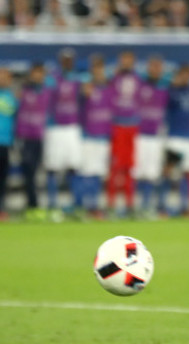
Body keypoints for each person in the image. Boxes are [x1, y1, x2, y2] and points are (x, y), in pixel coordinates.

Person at [44, 48, 83, 219]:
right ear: (60, 60)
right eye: (65, 59)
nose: (68, 62)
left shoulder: (78, 79)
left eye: (71, 59)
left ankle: (72, 205)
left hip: (72, 127)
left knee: (73, 167)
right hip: (55, 127)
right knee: (52, 167)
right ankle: (52, 204)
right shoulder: (52, 79)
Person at [134, 55, 169, 217]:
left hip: (157, 136)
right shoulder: (140, 85)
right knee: (139, 172)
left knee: (153, 173)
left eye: (158, 67)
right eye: (153, 66)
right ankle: (139, 206)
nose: (156, 70)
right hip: (140, 135)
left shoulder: (165, 87)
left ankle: (150, 206)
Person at [108, 51, 142, 216]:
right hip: (118, 125)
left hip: (132, 126)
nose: (127, 63)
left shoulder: (139, 79)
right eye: (124, 60)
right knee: (115, 167)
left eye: (130, 60)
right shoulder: (113, 78)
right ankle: (111, 204)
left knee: (130, 167)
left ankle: (129, 204)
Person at [16, 63, 52, 220]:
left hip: (39, 136)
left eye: (40, 73)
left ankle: (34, 205)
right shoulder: (24, 90)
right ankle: (32, 205)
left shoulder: (45, 90)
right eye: (35, 73)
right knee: (28, 170)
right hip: (25, 136)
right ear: (31, 74)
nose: (38, 76)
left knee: (36, 171)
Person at [79, 54, 113, 219]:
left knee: (99, 173)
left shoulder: (109, 88)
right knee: (87, 172)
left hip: (103, 137)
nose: (98, 71)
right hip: (88, 136)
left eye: (101, 68)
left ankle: (95, 206)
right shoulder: (86, 87)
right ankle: (86, 206)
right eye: (95, 68)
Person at [164, 64, 189, 215]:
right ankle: (166, 206)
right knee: (171, 172)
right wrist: (172, 84)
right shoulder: (171, 91)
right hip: (174, 137)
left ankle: (185, 206)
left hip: (188, 138)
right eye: (183, 74)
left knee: (187, 172)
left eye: (188, 75)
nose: (186, 78)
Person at [0, 67, 18, 220]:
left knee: (3, 179)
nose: (3, 80)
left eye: (6, 77)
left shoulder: (11, 97)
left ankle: (1, 209)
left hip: (6, 142)